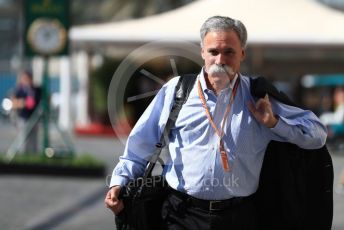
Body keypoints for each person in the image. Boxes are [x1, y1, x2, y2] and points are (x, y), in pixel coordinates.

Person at [105, 16, 327, 229]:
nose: (220, 60)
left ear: (242, 53)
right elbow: (139, 146)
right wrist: (119, 182)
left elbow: (317, 135)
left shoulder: (259, 96)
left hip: (240, 217)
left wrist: (274, 123)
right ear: (202, 52)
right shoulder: (177, 91)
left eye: (229, 52)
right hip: (181, 214)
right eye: (213, 51)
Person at [11, 70, 41, 153]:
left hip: (34, 117)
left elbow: (39, 101)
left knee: (33, 139)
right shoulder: (19, 90)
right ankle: (23, 153)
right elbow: (14, 102)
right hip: (23, 117)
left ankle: (34, 154)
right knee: (23, 137)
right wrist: (23, 103)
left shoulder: (36, 90)